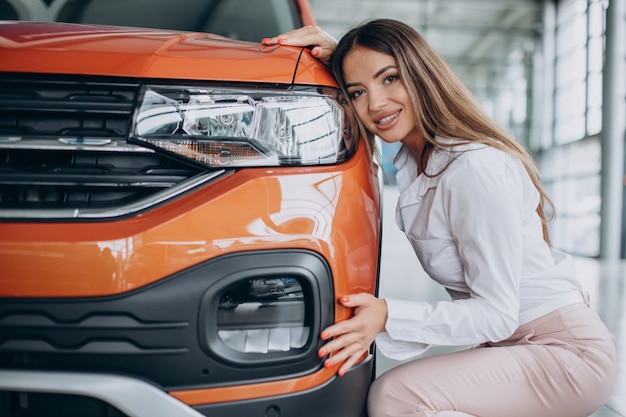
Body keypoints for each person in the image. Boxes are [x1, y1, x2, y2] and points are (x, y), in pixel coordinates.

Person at [262, 19, 616, 417]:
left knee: (397, 397)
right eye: (358, 91)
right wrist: (340, 57)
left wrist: (387, 315)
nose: (375, 103)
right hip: (516, 344)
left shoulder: (472, 168)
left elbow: (496, 314)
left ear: (421, 74)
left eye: (390, 78)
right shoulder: (415, 163)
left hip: (563, 352)